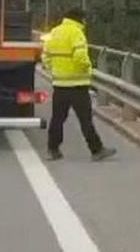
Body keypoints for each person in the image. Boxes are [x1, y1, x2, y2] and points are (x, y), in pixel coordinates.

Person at [43, 8, 116, 161]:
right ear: (79, 19)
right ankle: (97, 150)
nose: (86, 22)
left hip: (60, 84)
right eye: (84, 19)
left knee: (57, 118)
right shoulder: (76, 33)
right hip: (77, 85)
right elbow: (80, 56)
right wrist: (87, 69)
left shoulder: (54, 32)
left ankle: (53, 149)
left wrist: (55, 70)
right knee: (85, 119)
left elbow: (46, 57)